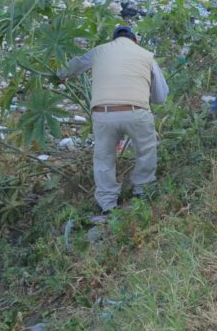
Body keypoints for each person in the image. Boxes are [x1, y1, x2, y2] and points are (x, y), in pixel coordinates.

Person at [56, 26, 169, 220]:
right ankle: (142, 191)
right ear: (135, 41)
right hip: (136, 111)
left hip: (103, 113)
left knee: (104, 158)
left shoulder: (100, 51)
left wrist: (58, 75)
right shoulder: (146, 55)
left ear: (113, 39)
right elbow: (160, 96)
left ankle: (108, 205)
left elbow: (75, 65)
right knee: (146, 150)